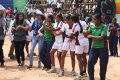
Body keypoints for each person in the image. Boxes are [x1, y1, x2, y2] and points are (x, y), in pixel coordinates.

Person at [87, 14, 109, 80]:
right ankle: (91, 78)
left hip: (103, 48)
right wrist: (84, 31)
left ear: (99, 20)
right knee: (90, 63)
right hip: (94, 48)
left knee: (103, 65)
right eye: (93, 19)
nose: (93, 20)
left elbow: (101, 37)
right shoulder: (91, 26)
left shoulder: (104, 27)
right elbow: (87, 33)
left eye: (94, 19)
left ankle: (102, 78)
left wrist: (91, 36)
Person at [70, 14, 89, 79]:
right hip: (86, 42)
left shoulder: (76, 25)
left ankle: (80, 74)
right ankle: (84, 72)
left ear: (73, 20)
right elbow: (87, 30)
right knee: (84, 57)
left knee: (79, 58)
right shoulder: (84, 22)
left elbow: (72, 34)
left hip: (79, 42)